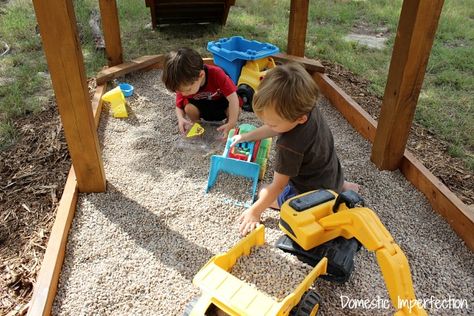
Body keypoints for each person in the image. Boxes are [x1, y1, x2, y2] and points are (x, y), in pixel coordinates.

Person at [230, 63, 359, 236]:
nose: (268, 126)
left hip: (311, 194)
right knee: (321, 172)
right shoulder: (307, 107)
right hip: (331, 173)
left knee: (263, 191)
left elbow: (278, 185)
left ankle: (330, 202)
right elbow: (277, 127)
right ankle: (342, 187)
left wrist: (255, 211)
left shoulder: (289, 145)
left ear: (299, 119)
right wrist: (247, 136)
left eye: (272, 123)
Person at [162, 47, 241, 138]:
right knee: (188, 108)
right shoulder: (183, 83)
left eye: (188, 90)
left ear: (201, 75)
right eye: (179, 91)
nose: (183, 94)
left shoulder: (217, 74)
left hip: (221, 106)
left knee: (237, 109)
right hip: (202, 108)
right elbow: (179, 106)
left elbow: (233, 98)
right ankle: (198, 125)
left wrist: (231, 122)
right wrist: (181, 119)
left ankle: (227, 128)